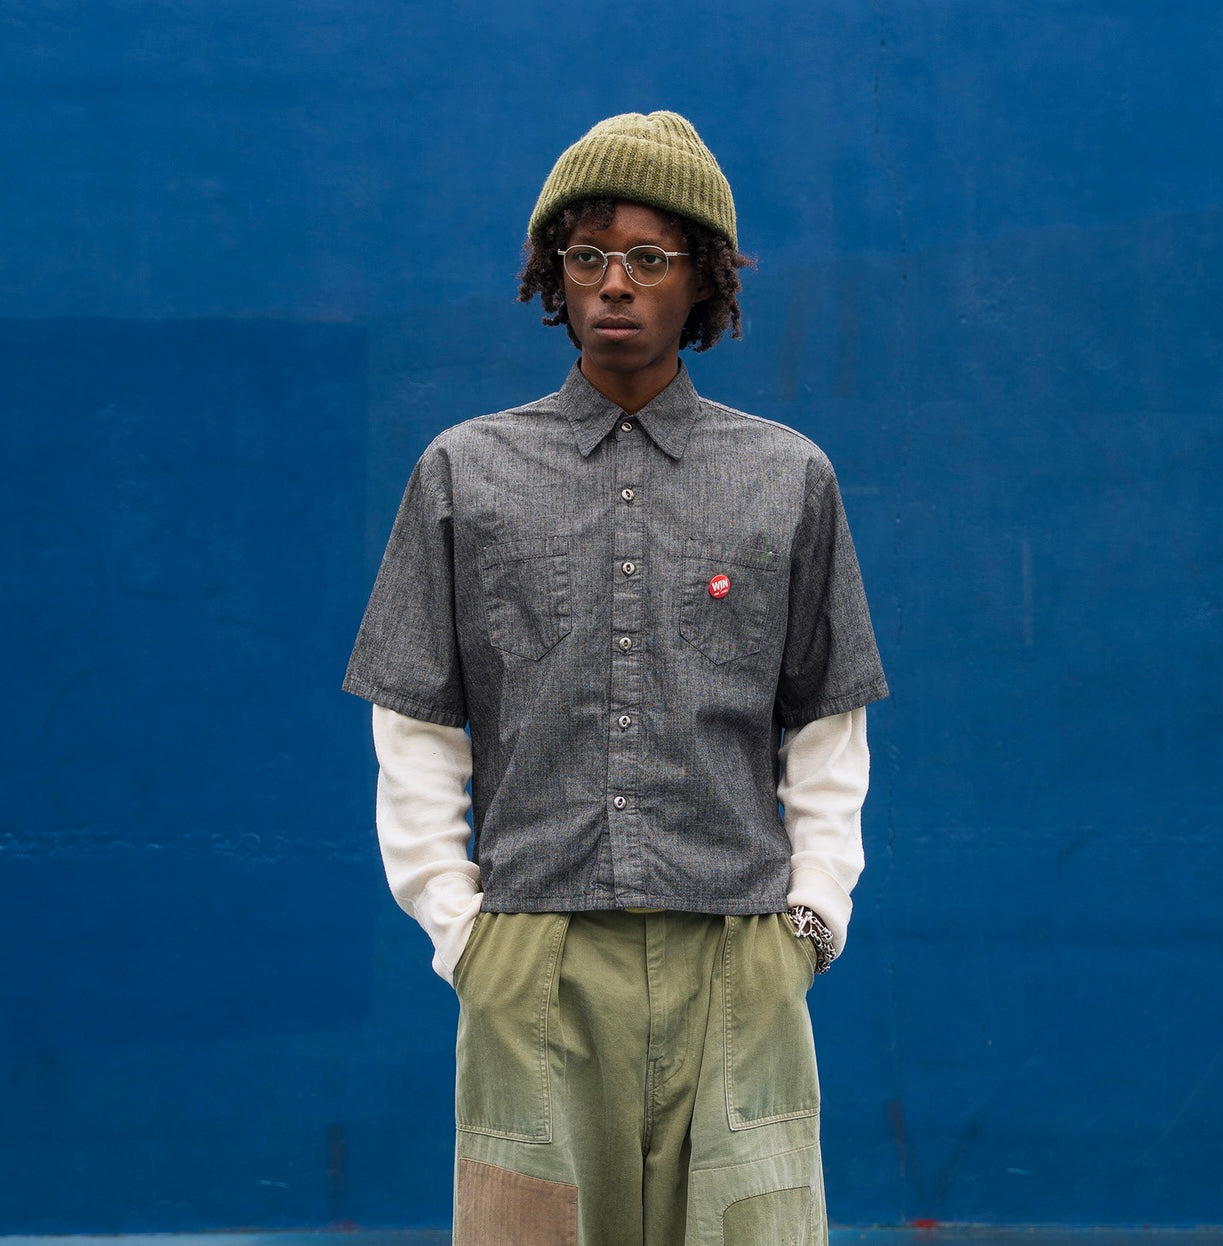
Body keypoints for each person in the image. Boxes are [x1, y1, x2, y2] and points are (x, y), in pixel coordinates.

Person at [344, 111, 888, 1246]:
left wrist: (811, 921)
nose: (615, 283)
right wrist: (461, 930)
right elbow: (416, 722)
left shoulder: (787, 476)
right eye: (587, 254)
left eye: (649, 256)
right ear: (555, 272)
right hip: (532, 955)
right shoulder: (465, 472)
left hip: (739, 956)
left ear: (703, 279)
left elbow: (825, 726)